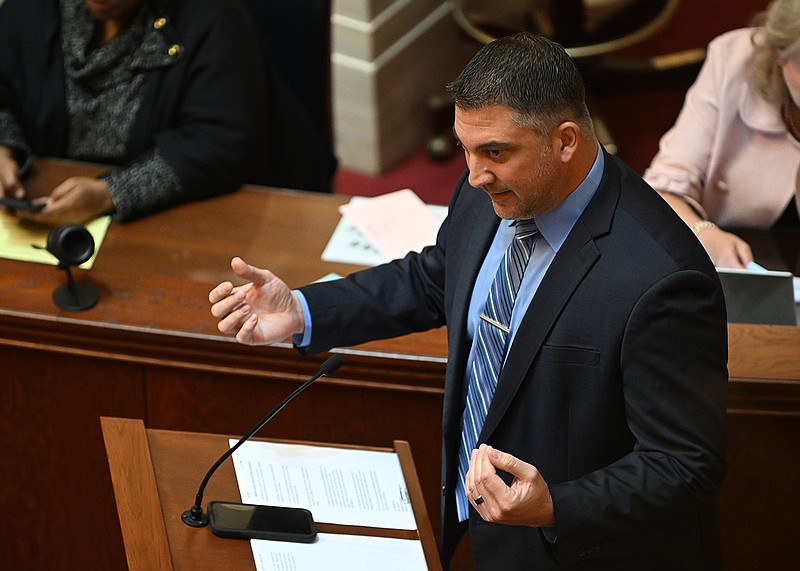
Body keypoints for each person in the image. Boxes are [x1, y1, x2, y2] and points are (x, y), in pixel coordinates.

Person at [209, 33, 728, 570]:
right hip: (471, 525)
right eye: (465, 149)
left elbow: (684, 465)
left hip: (573, 551)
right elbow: (437, 279)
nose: (474, 174)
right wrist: (303, 310)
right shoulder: (492, 193)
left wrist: (557, 506)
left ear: (566, 140)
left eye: (495, 152)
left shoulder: (663, 279)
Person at [0, 0, 336, 226]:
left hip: (184, 219)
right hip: (47, 207)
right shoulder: (33, 8)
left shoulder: (212, 18)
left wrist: (112, 193)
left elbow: (220, 145)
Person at [644, 0, 800, 269]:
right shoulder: (733, 62)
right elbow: (662, 192)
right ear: (779, 54)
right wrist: (705, 234)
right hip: (745, 267)